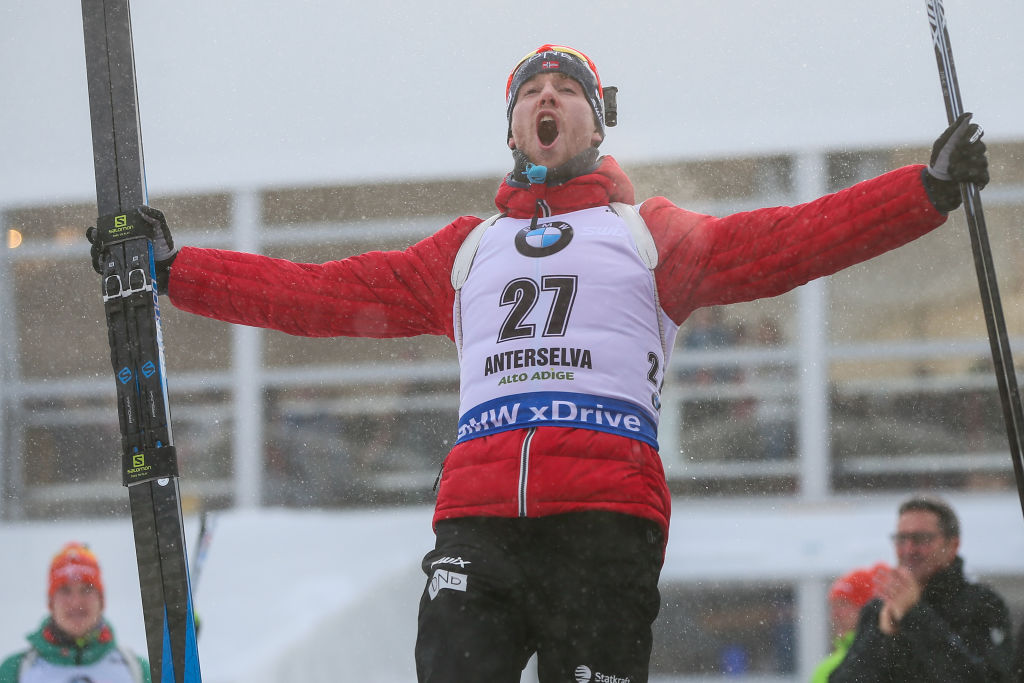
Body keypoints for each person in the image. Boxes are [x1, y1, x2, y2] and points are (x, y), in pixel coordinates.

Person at [87, 44, 989, 682]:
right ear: (515, 126)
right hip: (480, 519)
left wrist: (926, 191)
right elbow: (317, 294)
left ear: (597, 122)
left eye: (568, 88)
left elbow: (788, 240)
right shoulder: (467, 250)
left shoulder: (647, 235)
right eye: (532, 90)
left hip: (602, 522)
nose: (548, 96)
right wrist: (177, 271)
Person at [829, 496, 1013, 682]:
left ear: (953, 545)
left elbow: (983, 677)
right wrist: (884, 632)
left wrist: (913, 615)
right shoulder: (879, 610)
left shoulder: (983, 605)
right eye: (901, 539)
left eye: (921, 539)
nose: (909, 549)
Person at [0, 542, 150, 683]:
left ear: (101, 601)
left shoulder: (137, 670)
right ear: (51, 603)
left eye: (86, 589)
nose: (76, 602)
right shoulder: (14, 672)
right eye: (65, 590)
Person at [810, 562, 890, 682]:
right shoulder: (827, 666)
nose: (835, 614)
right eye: (833, 606)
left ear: (866, 608)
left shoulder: (882, 657)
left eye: (844, 604)